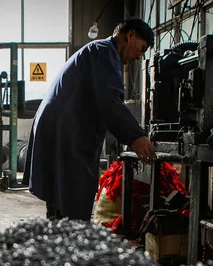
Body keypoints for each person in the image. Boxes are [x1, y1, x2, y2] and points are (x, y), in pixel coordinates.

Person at [23, 18, 157, 221]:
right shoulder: (104, 51)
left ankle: (61, 236)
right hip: (66, 129)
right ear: (130, 36)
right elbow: (110, 100)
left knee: (62, 197)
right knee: (75, 197)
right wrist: (136, 136)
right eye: (142, 48)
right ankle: (74, 242)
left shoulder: (99, 51)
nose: (139, 56)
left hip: (60, 125)